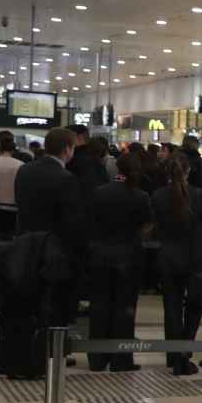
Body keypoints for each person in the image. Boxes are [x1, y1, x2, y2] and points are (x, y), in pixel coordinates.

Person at [86, 150, 153, 372]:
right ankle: (121, 359)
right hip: (129, 257)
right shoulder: (141, 196)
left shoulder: (99, 192)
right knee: (124, 308)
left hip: (100, 256)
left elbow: (91, 223)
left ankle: (97, 358)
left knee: (99, 305)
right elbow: (146, 227)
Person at [15, 127, 88, 324]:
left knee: (30, 306)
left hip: (25, 248)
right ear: (67, 149)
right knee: (56, 307)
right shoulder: (66, 179)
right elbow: (72, 222)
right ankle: (54, 351)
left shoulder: (24, 170)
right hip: (55, 253)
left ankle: (33, 350)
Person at [153, 156, 202, 376]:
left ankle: (173, 355)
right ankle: (185, 353)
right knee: (195, 307)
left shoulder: (158, 196)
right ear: (189, 171)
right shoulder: (201, 195)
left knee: (172, 308)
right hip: (195, 257)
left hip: (168, 257)